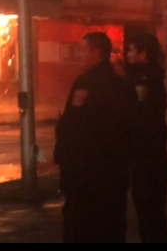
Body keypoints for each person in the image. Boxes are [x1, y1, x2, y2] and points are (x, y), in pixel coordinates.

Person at [54, 31, 135, 243]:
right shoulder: (123, 85)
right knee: (111, 228)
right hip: (114, 176)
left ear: (96, 53)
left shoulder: (86, 84)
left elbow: (73, 128)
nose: (78, 55)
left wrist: (65, 164)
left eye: (82, 50)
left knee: (83, 229)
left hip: (86, 177)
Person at [124, 32, 167, 244]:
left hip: (148, 155)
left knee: (149, 209)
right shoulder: (151, 77)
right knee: (148, 211)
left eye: (132, 50)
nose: (127, 54)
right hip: (146, 154)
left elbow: (142, 117)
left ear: (143, 54)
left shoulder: (148, 80)